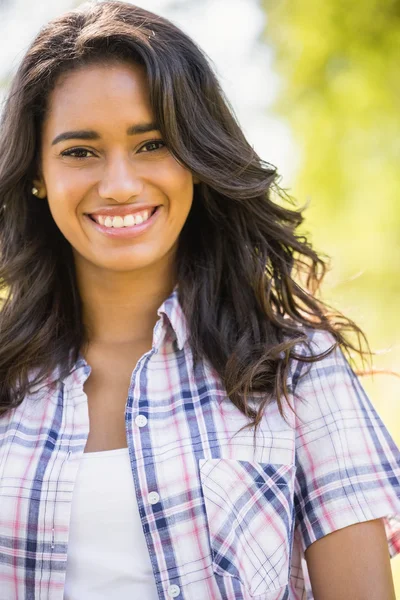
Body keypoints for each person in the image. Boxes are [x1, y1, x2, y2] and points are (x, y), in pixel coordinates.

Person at [0, 1, 398, 598]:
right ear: (37, 172)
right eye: (80, 151)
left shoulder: (295, 369)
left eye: (152, 144)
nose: (120, 184)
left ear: (197, 160)